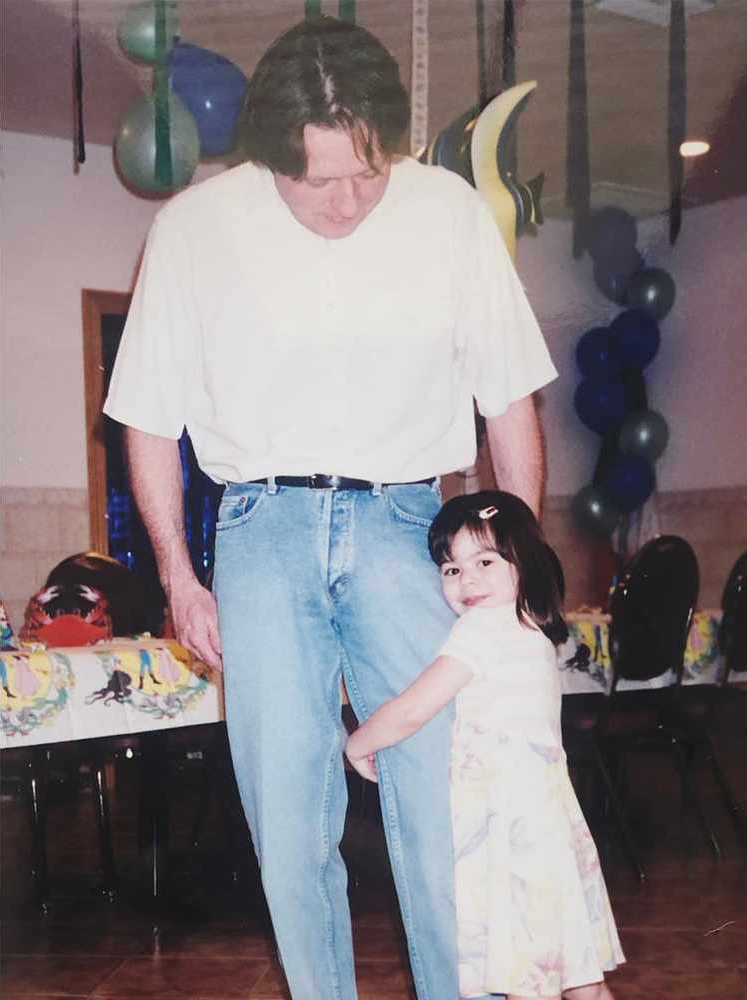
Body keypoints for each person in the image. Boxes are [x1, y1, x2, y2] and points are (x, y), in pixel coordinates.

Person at [102, 16, 557, 1000]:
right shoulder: (192, 228)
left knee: (442, 800)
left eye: (369, 172)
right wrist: (181, 575)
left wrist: (521, 557)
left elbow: (510, 397)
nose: (350, 201)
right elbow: (146, 418)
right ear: (271, 157)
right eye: (319, 181)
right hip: (262, 532)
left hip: (410, 528)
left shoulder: (447, 213)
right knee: (289, 818)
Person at [345, 492, 623, 1000]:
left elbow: (412, 708)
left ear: (524, 565)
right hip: (547, 827)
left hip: (506, 832)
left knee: (521, 973)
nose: (466, 579)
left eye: (484, 562)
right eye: (450, 569)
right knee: (575, 974)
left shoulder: (480, 629)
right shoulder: (534, 631)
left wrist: (357, 742)